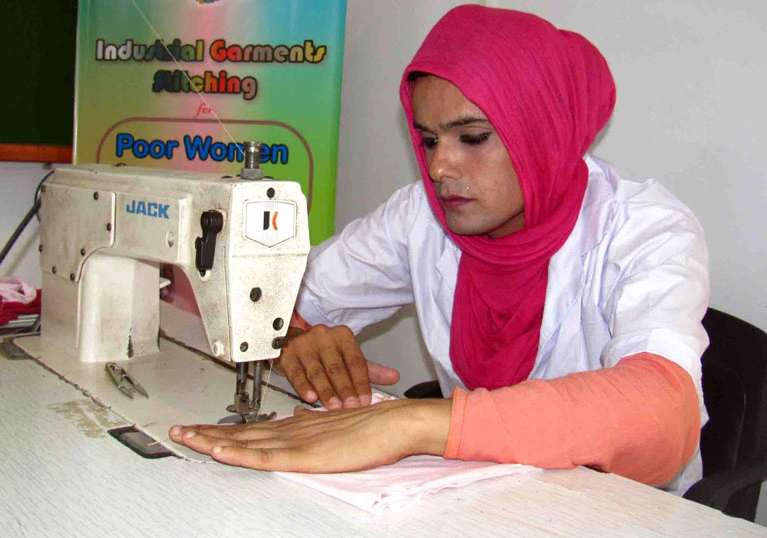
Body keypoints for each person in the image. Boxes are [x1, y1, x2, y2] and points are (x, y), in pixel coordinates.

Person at [170, 5, 709, 495]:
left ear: (543, 130)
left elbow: (663, 413)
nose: (438, 167)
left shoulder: (645, 228)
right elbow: (274, 298)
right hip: (483, 497)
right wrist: (290, 339)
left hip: (618, 508)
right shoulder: (422, 216)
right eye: (428, 140)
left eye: (471, 137)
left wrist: (411, 423)